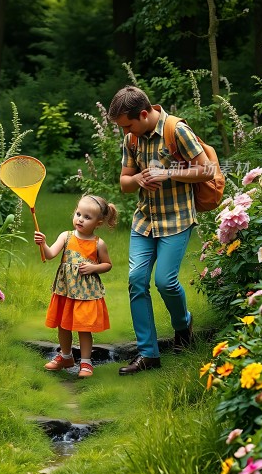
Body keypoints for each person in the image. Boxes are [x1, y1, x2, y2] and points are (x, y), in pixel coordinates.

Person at [108, 85, 215, 375]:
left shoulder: (176, 130)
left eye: (127, 125)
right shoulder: (132, 138)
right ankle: (148, 354)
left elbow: (207, 170)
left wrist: (167, 173)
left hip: (177, 219)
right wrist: (138, 180)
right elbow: (124, 182)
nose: (125, 131)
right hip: (144, 221)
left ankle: (183, 325)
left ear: (144, 114)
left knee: (165, 282)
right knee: (136, 280)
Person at [34, 195, 118, 378]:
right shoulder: (66, 236)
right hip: (65, 291)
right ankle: (66, 356)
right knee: (63, 325)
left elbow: (107, 265)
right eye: (78, 214)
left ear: (98, 223)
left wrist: (94, 267)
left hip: (86, 294)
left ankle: (86, 362)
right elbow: (50, 254)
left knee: (84, 326)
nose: (80, 219)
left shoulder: (98, 244)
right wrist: (43, 244)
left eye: (87, 217)